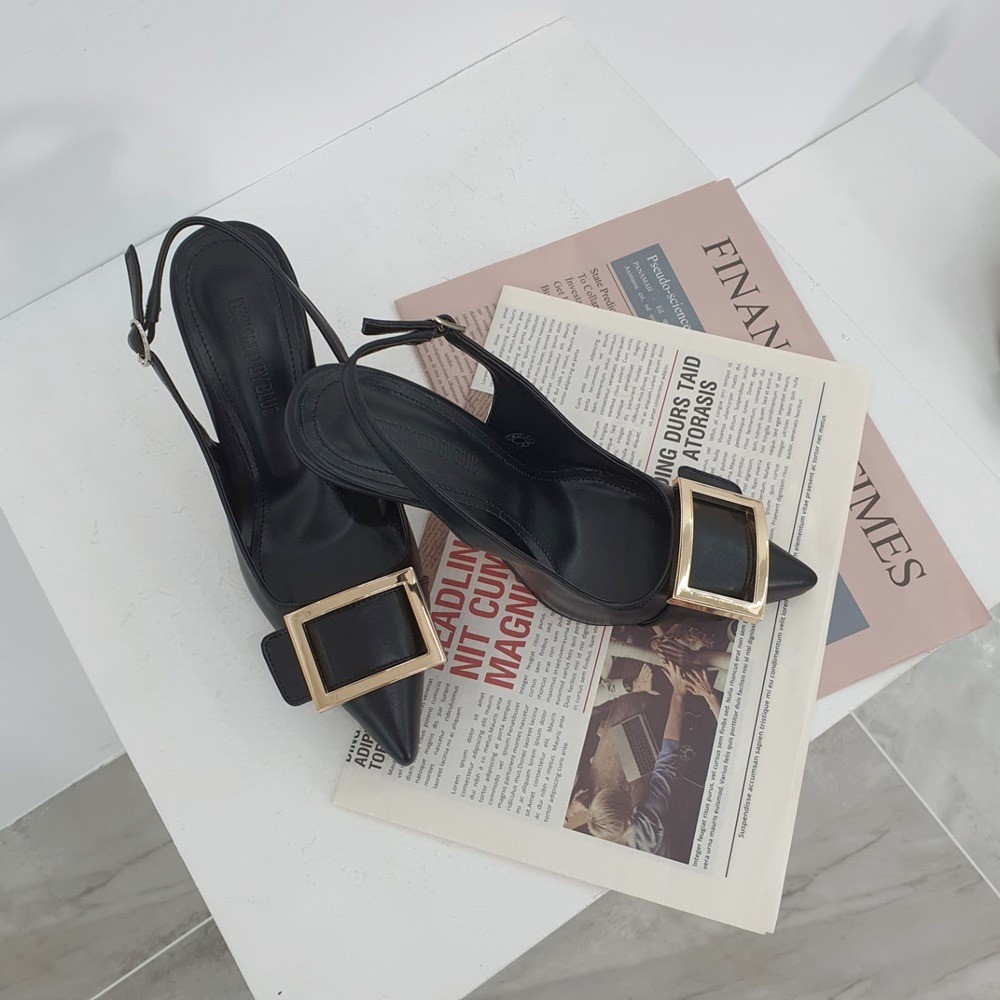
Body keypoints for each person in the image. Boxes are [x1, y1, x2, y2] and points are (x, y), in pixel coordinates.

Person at [566, 660, 690, 855]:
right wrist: (679, 694)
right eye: (624, 794)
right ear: (631, 818)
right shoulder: (650, 827)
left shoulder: (608, 842)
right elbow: (666, 762)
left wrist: (581, 814)